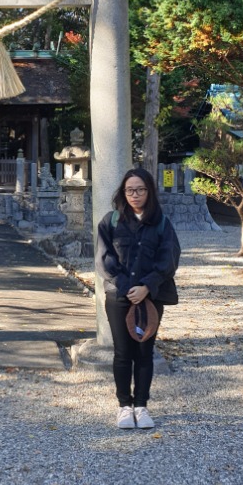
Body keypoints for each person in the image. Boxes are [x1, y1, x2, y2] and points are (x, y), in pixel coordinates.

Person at [95, 167, 180, 430]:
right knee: (122, 353)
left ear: (149, 192)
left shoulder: (162, 223)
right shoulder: (110, 221)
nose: (135, 194)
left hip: (151, 296)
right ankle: (124, 406)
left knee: (144, 352)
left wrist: (146, 286)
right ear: (123, 192)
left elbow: (169, 259)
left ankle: (141, 406)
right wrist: (126, 286)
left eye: (140, 189)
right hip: (119, 296)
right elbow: (104, 259)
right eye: (130, 190)